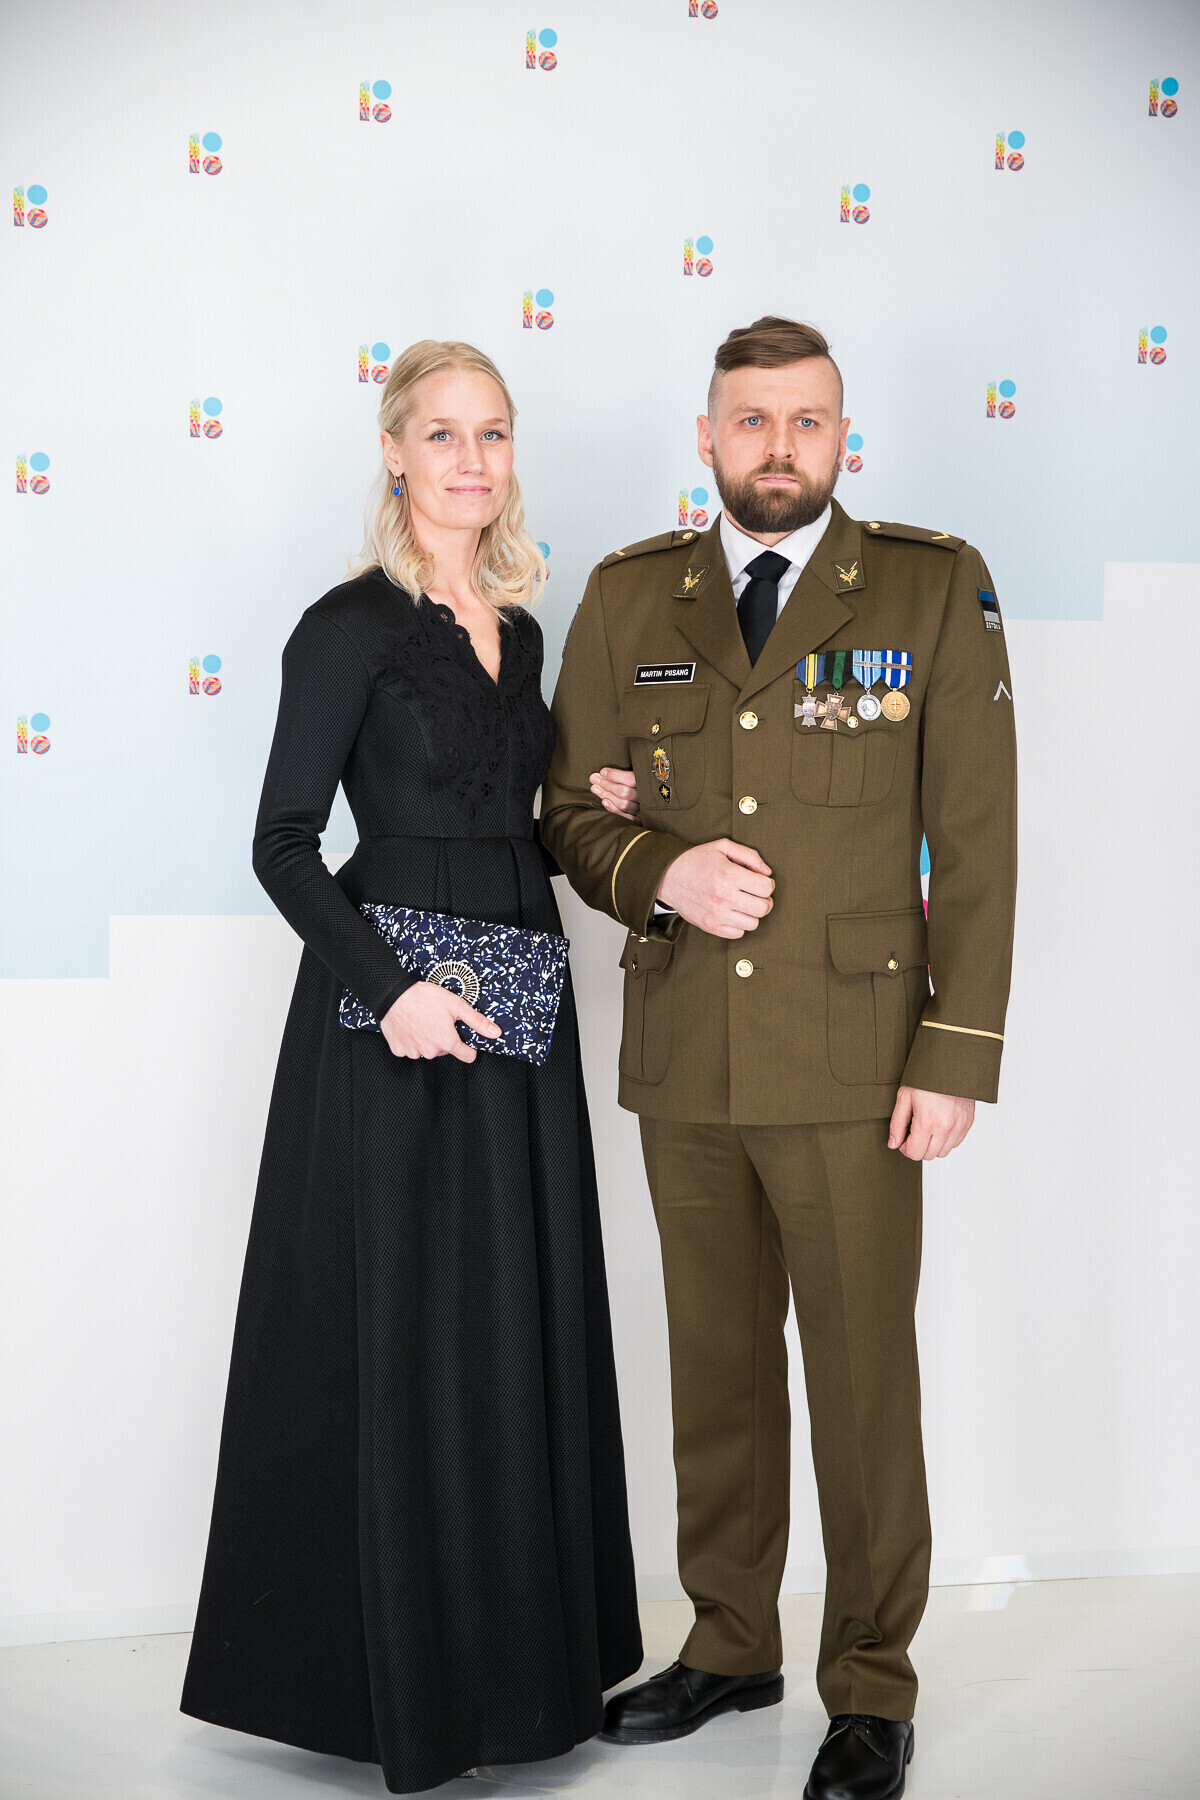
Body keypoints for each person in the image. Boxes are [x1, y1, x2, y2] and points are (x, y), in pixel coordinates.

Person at [541, 315, 1017, 1800]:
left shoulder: (929, 588)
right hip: (689, 1052)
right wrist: (659, 872)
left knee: (864, 1386)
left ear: (842, 435)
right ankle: (730, 1639)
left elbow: (978, 841)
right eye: (750, 420)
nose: (778, 447)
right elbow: (568, 811)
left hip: (858, 1061)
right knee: (719, 1375)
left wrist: (956, 1050)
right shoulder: (630, 596)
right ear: (707, 436)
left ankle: (870, 1684)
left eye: (806, 420)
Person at [180, 339, 644, 1794]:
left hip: (519, 1003)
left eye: (492, 434)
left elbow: (511, 815)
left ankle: (523, 1682)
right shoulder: (346, 629)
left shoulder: (526, 626)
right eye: (442, 434)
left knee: (513, 1317)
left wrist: (590, 796)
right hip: (392, 1024)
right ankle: (406, 1693)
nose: (470, 460)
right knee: (407, 1331)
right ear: (393, 450)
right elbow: (283, 843)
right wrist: (389, 994)